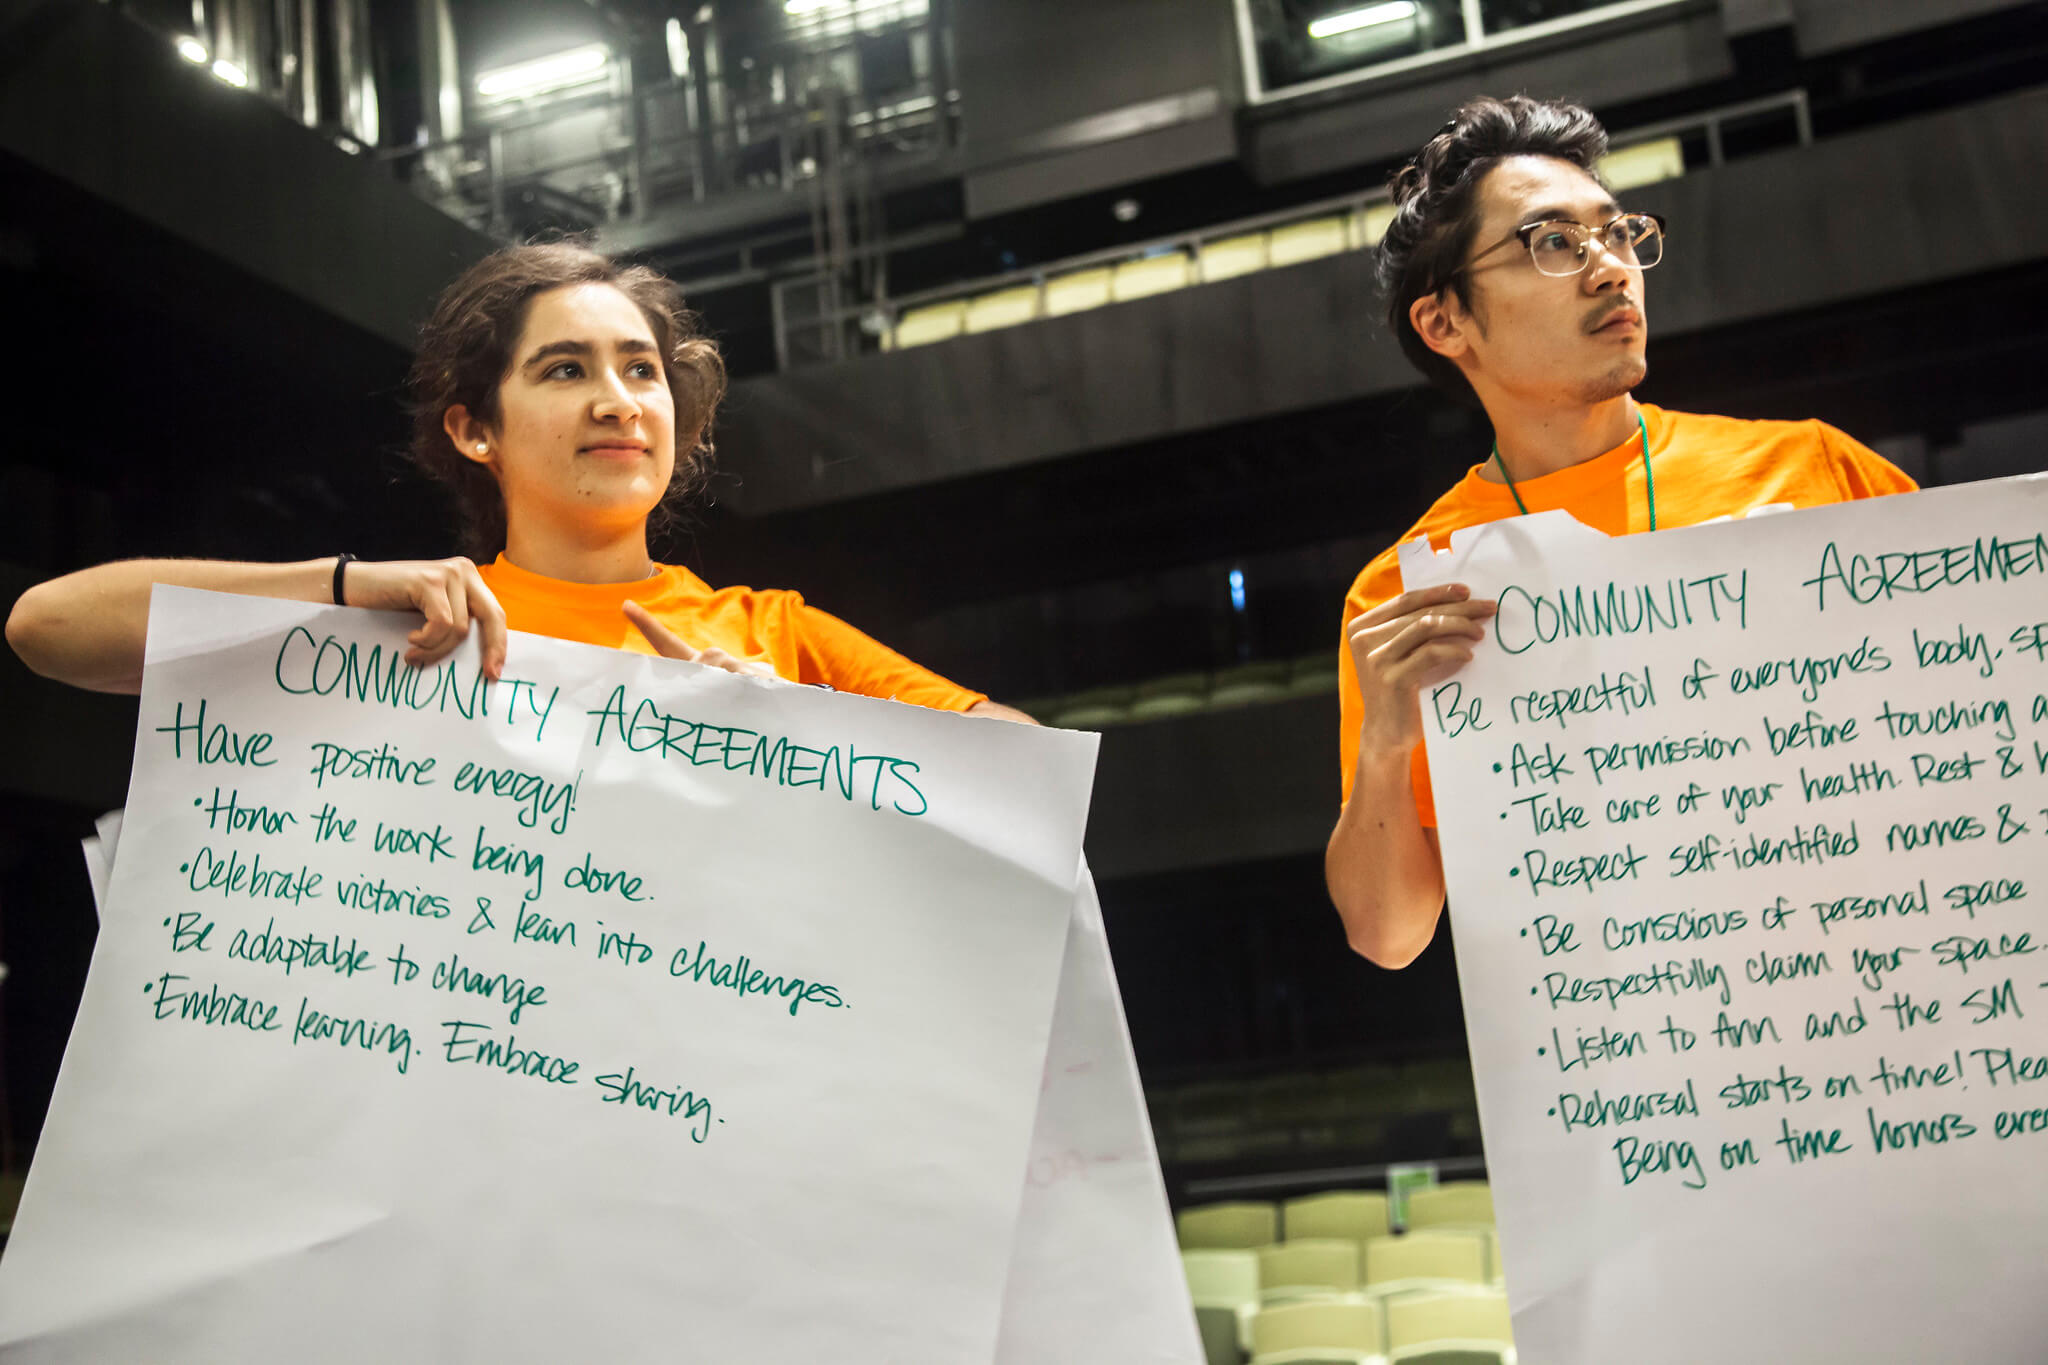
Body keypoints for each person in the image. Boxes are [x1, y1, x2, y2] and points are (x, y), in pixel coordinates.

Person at [1325, 96, 1914, 967]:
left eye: (1618, 234)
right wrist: (1386, 742)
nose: (1611, 268)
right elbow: (1389, 937)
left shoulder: (1817, 472)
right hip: (1637, 1053)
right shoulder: (1411, 593)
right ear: (1444, 321)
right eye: (1552, 243)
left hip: (1894, 995)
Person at [6, 242, 1031, 724]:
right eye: (564, 369)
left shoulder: (773, 637)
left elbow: (1029, 775)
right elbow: (46, 630)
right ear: (474, 429)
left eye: (642, 370)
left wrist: (797, 739)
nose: (619, 401)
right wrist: (345, 584)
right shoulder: (404, 634)